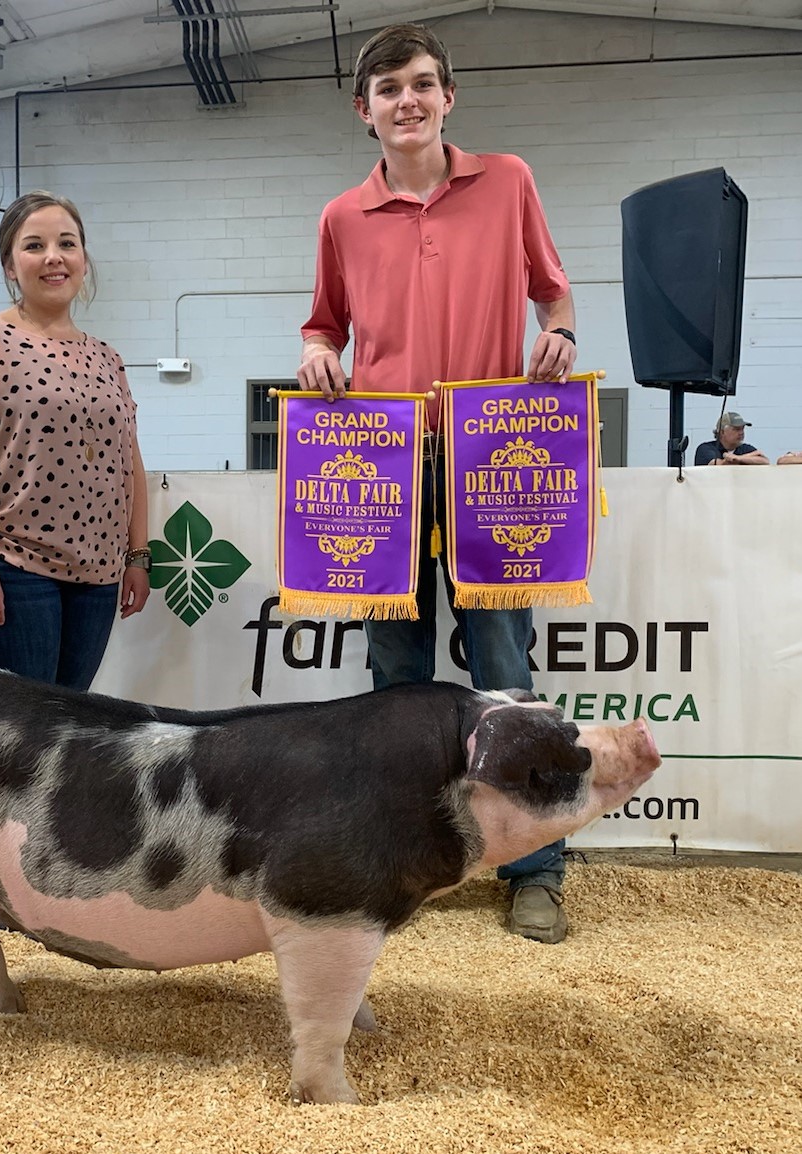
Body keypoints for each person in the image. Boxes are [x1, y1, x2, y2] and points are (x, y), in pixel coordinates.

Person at [297, 24, 577, 943]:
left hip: (494, 457)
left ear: (448, 96)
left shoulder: (509, 180)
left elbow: (554, 295)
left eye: (422, 84)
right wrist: (316, 355)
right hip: (381, 466)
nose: (406, 101)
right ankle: (404, 858)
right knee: (395, 674)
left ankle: (535, 867)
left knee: (506, 668)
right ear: (362, 109)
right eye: (388, 88)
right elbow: (323, 326)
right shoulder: (340, 215)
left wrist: (561, 336)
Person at [0, 191, 150, 689]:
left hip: (96, 573)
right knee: (16, 740)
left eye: (67, 244)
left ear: (83, 260)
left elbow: (129, 460)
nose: (54, 257)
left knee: (67, 732)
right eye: (35, 246)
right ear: (11, 267)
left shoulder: (107, 358)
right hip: (10, 564)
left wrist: (137, 556)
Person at [694, 413, 769, 466]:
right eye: (736, 429)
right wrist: (751, 456)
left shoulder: (744, 448)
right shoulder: (706, 448)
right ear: (722, 432)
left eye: (742, 429)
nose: (741, 433)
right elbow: (719, 465)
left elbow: (765, 461)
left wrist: (737, 458)